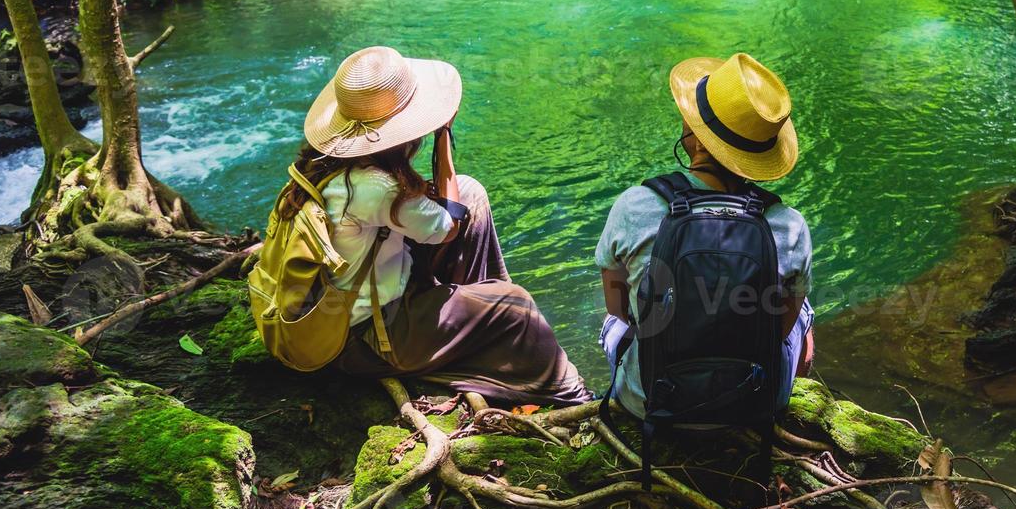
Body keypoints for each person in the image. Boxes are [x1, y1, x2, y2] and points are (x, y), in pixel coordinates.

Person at [278, 45, 588, 407]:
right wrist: (443, 139)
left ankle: (476, 329)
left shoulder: (324, 165)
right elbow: (449, 226)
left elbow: (447, 206)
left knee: (470, 193)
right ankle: (576, 399)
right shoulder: (374, 187)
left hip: (352, 309)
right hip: (368, 340)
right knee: (515, 305)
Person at [595, 52, 815, 421]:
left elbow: (619, 310)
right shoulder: (789, 225)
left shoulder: (634, 206)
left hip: (650, 401)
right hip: (753, 405)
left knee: (615, 319)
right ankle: (783, 407)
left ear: (697, 142)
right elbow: (778, 330)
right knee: (803, 310)